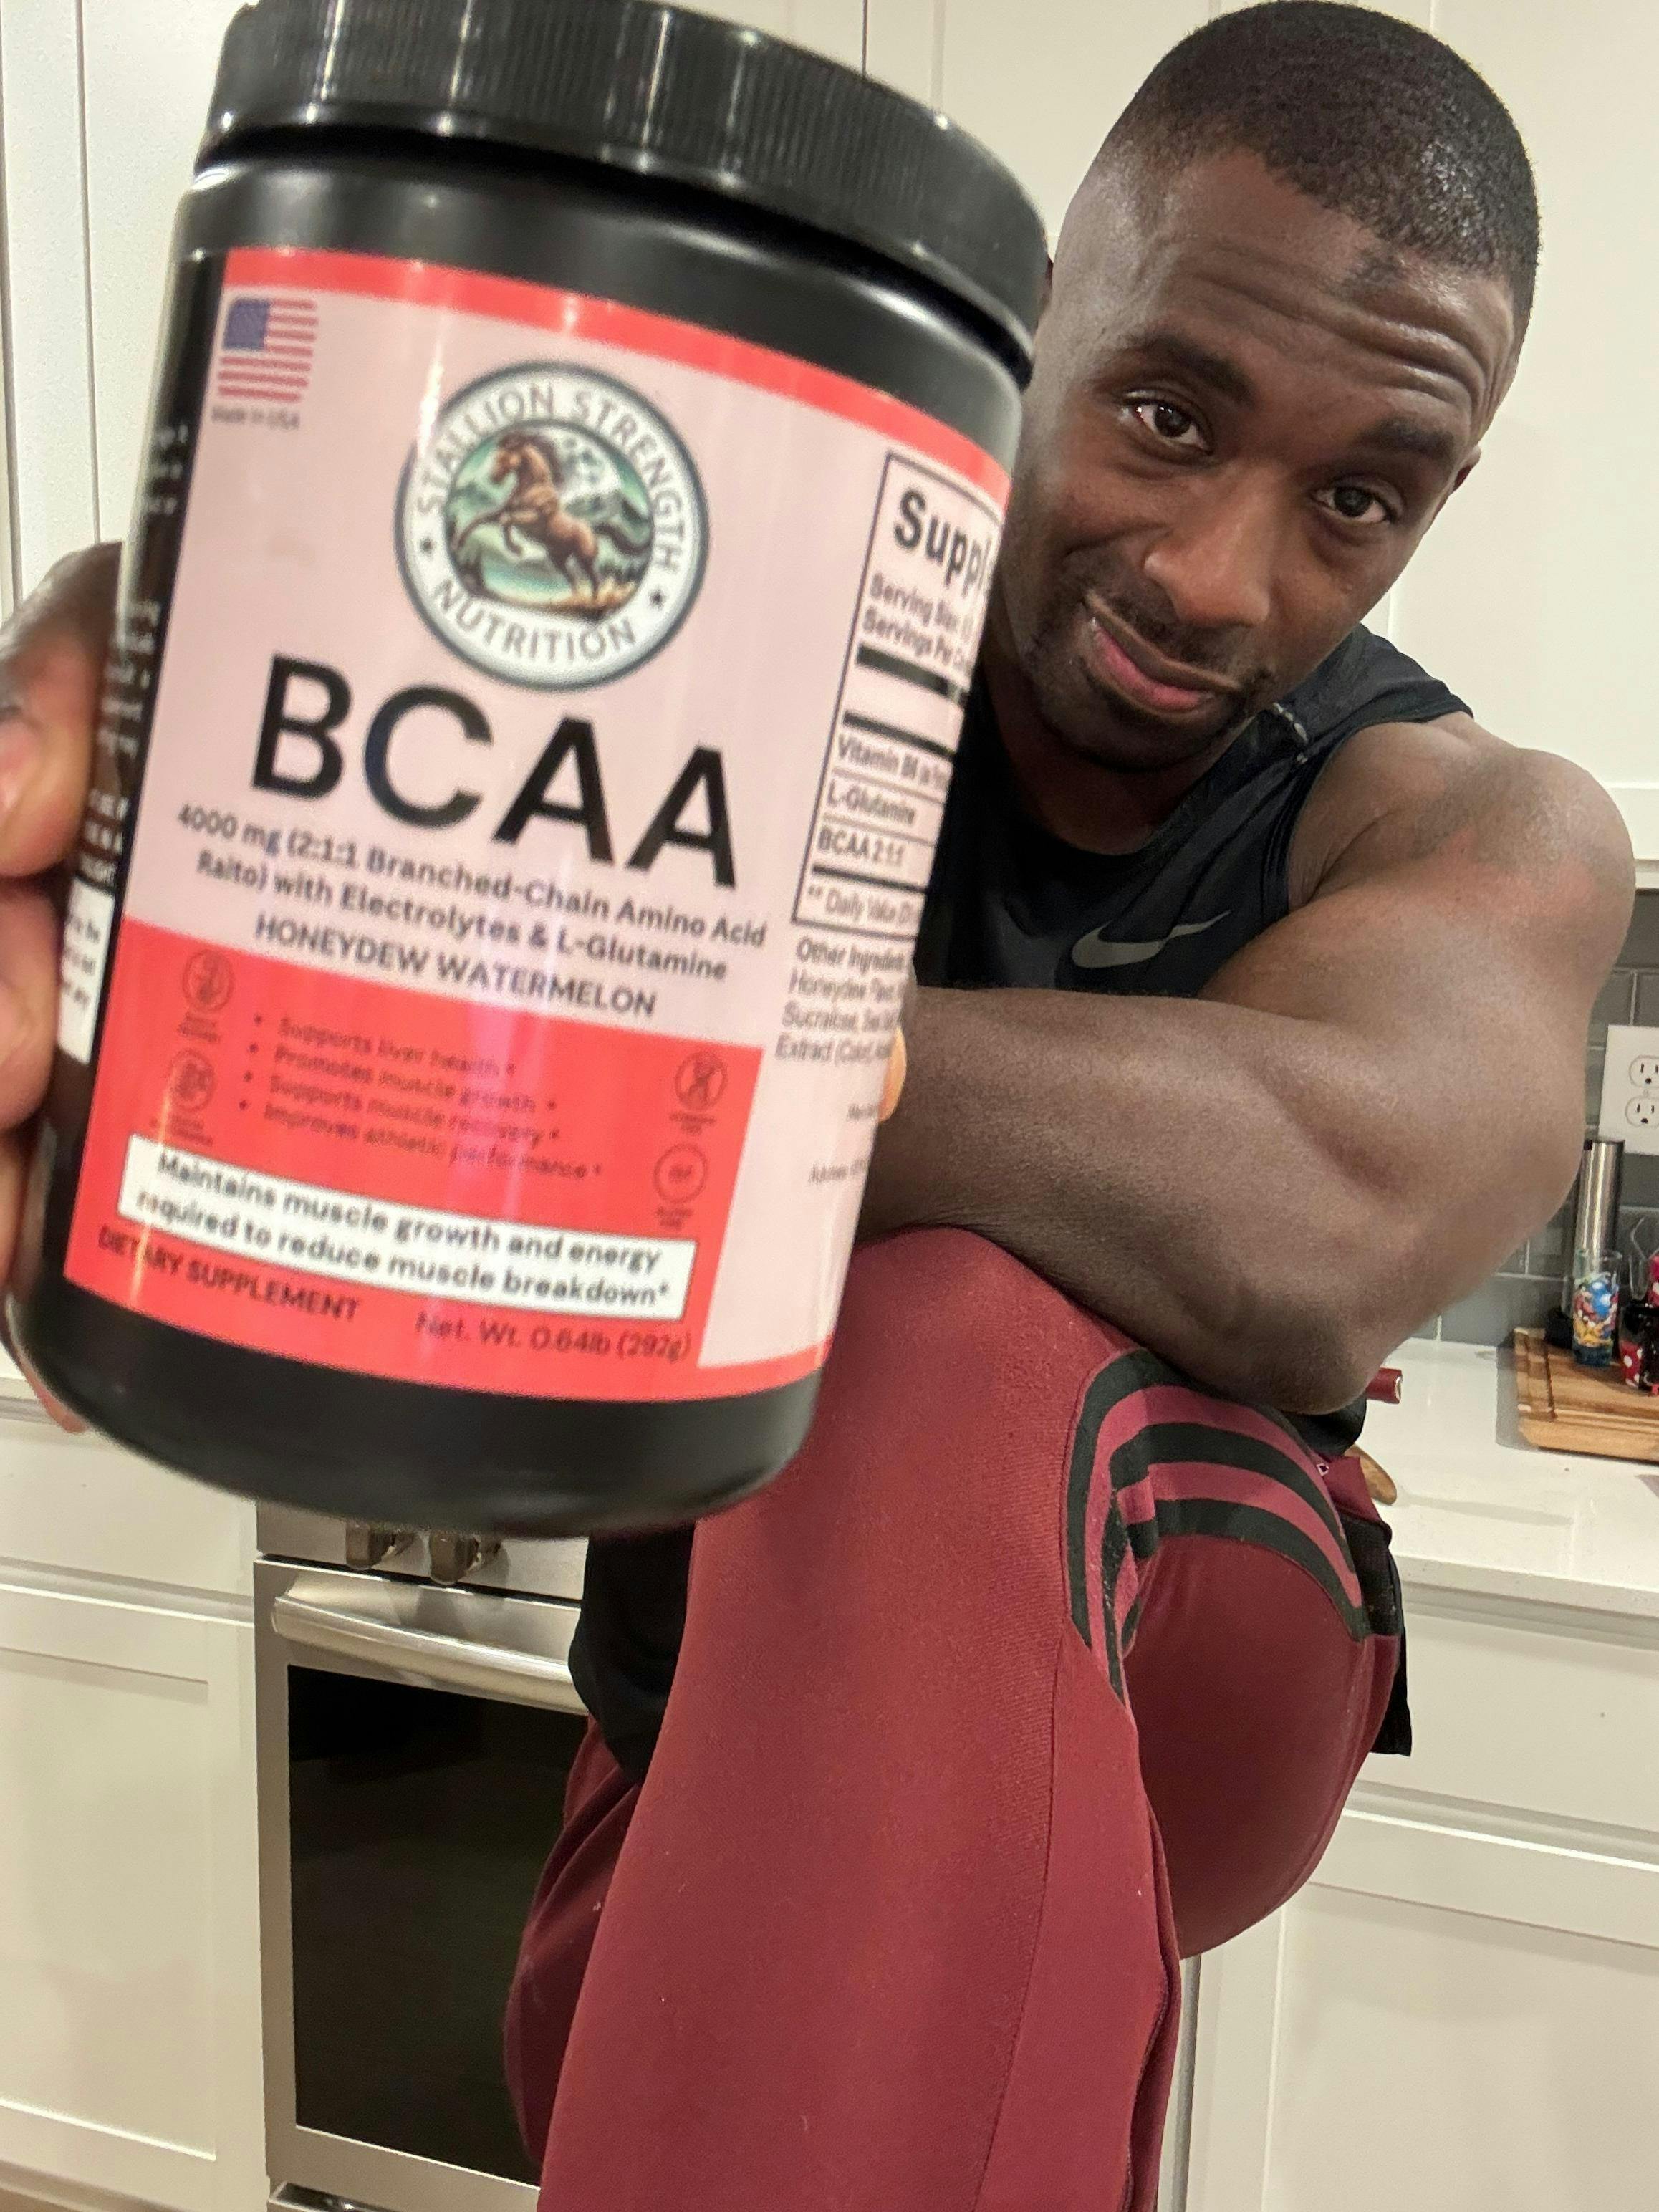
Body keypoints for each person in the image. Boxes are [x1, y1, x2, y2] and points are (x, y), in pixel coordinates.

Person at [0, 6, 1634, 2206]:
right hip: (698, 1678)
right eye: (1163, 416)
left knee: (931, 1335)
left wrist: (589, 1010)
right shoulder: (756, 635)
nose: (1216, 577)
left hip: (1210, 1641)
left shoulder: (1466, 816)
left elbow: (1339, 1195)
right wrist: (201, 828)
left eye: (1356, 500)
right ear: (1032, 324)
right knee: (644, 2082)